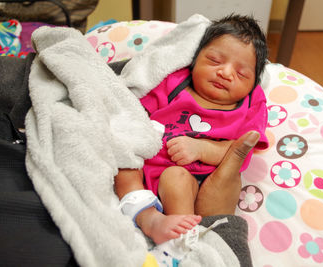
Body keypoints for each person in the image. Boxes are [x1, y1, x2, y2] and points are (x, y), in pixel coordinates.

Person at [114, 14, 269, 245]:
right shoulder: (175, 81)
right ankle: (156, 221)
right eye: (215, 61)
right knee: (124, 156)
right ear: (195, 59)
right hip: (153, 171)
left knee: (200, 175)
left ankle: (185, 237)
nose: (225, 73)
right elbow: (134, 115)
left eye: (241, 73)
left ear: (254, 82)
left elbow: (241, 151)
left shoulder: (251, 103)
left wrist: (202, 149)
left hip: (203, 184)